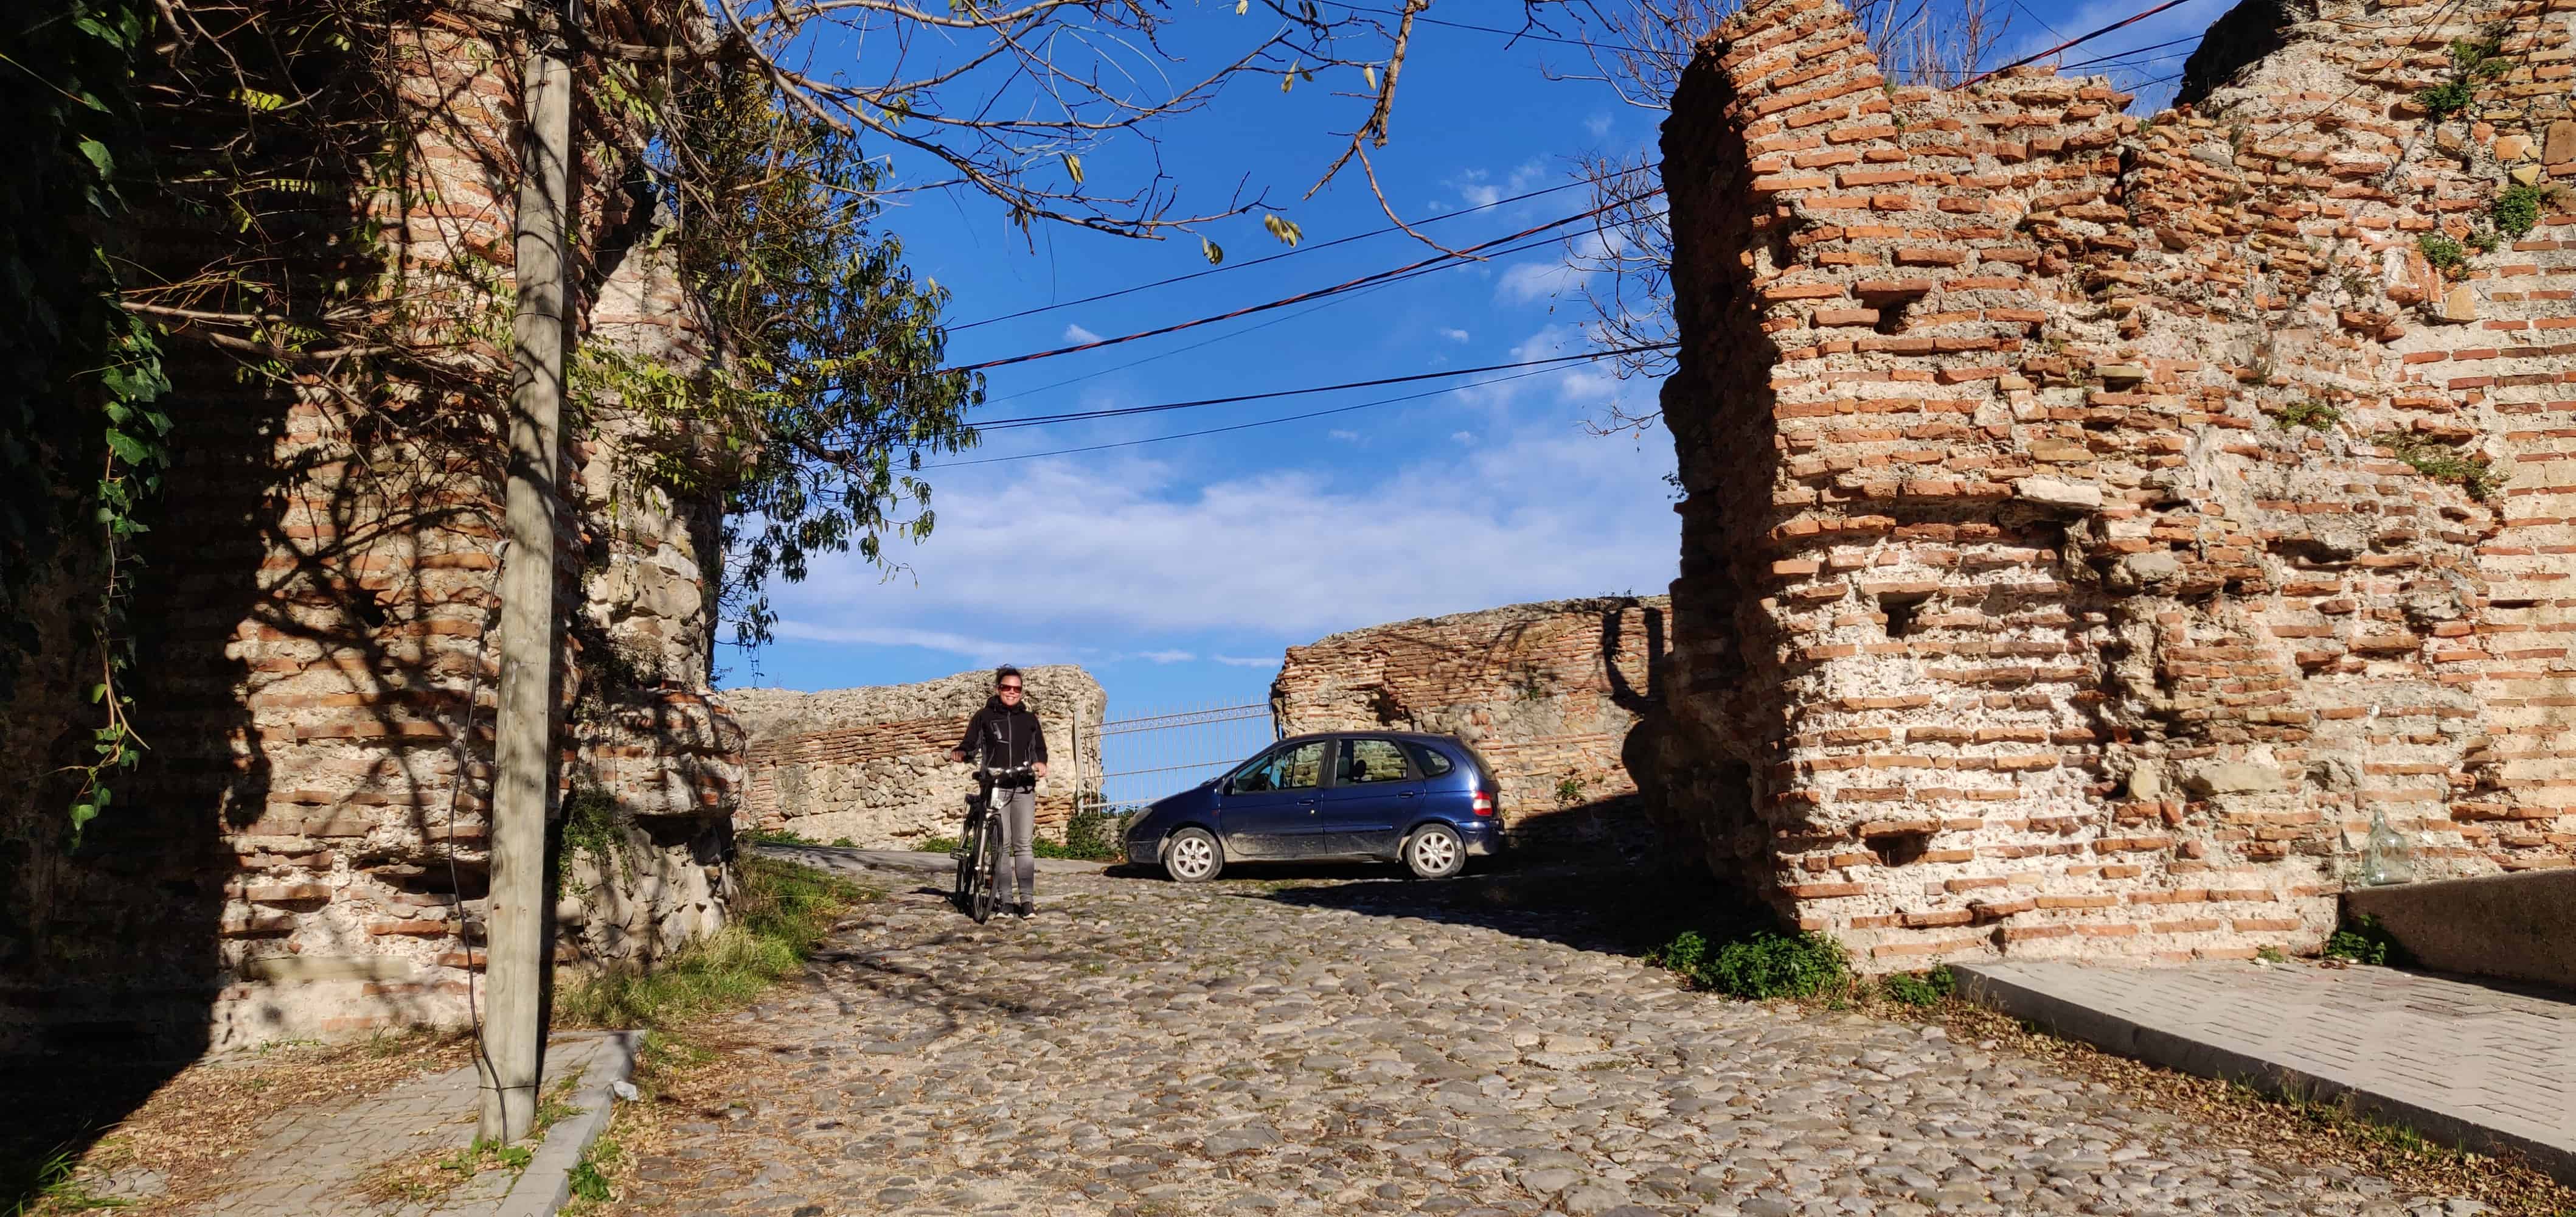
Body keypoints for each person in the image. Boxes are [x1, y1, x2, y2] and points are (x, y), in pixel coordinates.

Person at [948, 666, 1049, 918]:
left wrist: (1040, 763)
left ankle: (1027, 902)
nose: (1012, 692)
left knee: (1023, 845)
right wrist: (962, 752)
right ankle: (1005, 902)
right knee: (1001, 847)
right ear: (998, 689)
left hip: (1023, 786)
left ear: (1021, 691)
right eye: (1007, 687)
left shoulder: (1029, 719)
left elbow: (1040, 749)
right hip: (995, 786)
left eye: (1017, 689)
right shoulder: (984, 716)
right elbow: (970, 743)